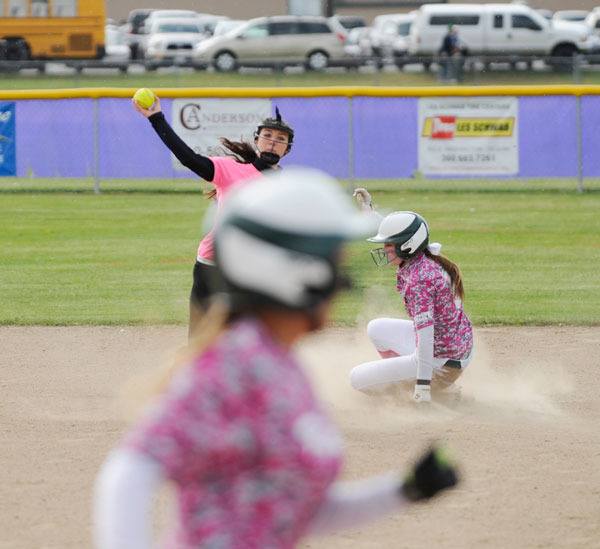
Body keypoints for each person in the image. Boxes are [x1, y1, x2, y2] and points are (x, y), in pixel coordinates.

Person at [93, 168, 460, 548]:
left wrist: (404, 490)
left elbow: (292, 509)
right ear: (297, 273)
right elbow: (129, 472)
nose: (343, 280)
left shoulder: (277, 365)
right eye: (335, 264)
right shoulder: (233, 368)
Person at [133, 95, 294, 337]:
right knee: (200, 337)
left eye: (280, 139)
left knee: (251, 337)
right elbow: (188, 158)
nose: (273, 142)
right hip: (212, 265)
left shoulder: (290, 187)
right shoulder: (231, 170)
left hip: (252, 271)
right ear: (257, 140)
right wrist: (157, 118)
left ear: (287, 149)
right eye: (267, 136)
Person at [350, 189, 473, 404]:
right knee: (376, 328)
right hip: (452, 348)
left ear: (406, 246)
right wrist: (369, 211)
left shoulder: (420, 280)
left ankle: (432, 391)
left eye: (389, 245)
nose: (384, 249)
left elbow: (426, 337)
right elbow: (400, 233)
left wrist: (422, 388)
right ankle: (419, 381)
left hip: (442, 362)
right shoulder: (423, 257)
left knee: (356, 379)